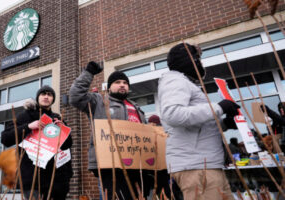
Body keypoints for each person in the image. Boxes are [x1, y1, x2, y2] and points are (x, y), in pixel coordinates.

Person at [158, 43, 240, 200]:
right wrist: (219, 107)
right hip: (197, 166)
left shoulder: (185, 83)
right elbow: (173, 114)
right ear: (189, 61)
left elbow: (197, 125)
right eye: (198, 59)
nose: (201, 64)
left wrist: (225, 124)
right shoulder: (175, 81)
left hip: (206, 164)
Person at [69, 61, 151, 200]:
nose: (122, 85)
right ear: (109, 86)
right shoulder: (99, 101)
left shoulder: (136, 107)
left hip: (137, 165)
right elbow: (75, 96)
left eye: (125, 83)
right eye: (117, 82)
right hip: (111, 164)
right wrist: (88, 73)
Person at [1, 85, 73, 200]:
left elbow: (68, 145)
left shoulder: (57, 118)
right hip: (33, 179)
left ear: (53, 99)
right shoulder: (26, 116)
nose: (46, 97)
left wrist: (63, 130)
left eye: (49, 95)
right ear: (38, 97)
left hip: (57, 180)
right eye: (43, 94)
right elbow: (5, 138)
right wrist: (29, 126)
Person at [148, 115, 183, 200]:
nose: (151, 125)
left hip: (164, 170)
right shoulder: (163, 133)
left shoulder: (162, 133)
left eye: (152, 123)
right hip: (163, 170)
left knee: (168, 190)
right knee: (168, 190)